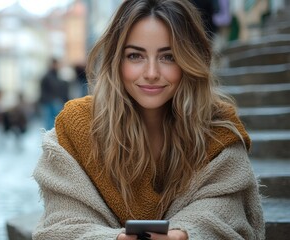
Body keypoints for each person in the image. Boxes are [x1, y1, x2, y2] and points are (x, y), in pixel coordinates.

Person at [32, 0, 264, 240]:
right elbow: (62, 223)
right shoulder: (77, 125)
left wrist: (182, 236)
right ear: (116, 61)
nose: (151, 73)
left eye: (168, 56)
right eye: (135, 56)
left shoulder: (217, 128)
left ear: (189, 60)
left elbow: (225, 210)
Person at [38, 58, 69, 130]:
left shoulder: (55, 75)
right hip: (49, 102)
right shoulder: (48, 76)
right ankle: (50, 137)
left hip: (53, 101)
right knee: (50, 121)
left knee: (53, 121)